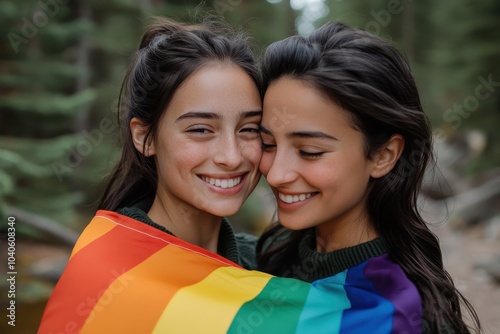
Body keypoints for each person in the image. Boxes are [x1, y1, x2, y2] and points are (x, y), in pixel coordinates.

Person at [38, 16, 263, 333]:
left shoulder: (270, 264)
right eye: (200, 130)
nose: (232, 156)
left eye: (249, 129)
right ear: (145, 137)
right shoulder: (105, 275)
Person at [256, 21, 481, 333]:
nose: (276, 174)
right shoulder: (258, 255)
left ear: (384, 155)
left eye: (309, 151)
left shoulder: (406, 317)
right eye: (267, 144)